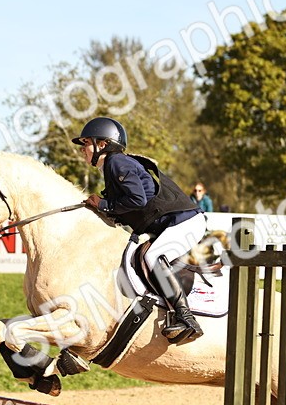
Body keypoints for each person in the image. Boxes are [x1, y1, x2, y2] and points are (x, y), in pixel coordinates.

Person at [72, 116, 204, 344]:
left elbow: (137, 199)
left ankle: (185, 317)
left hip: (184, 222)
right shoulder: (113, 165)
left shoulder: (116, 163)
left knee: (152, 256)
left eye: (86, 143)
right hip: (173, 223)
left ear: (102, 144)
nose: (83, 149)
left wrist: (102, 204)